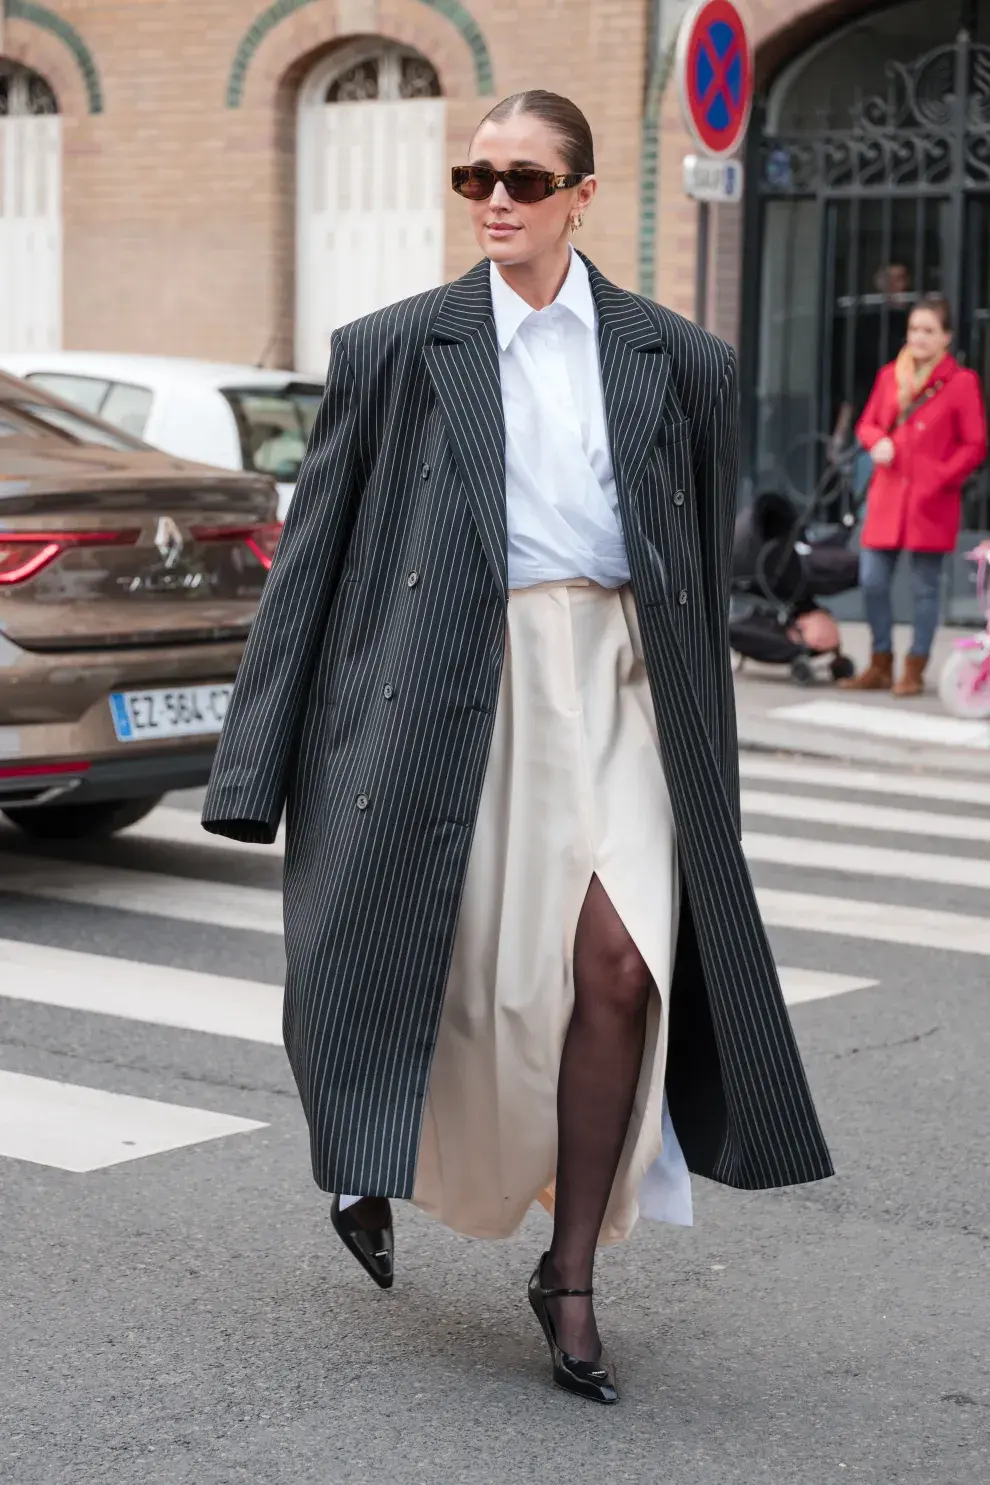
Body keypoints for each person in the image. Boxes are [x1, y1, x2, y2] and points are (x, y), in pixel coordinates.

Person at [202, 90, 832, 1405]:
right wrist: (251, 765)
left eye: (525, 179)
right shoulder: (396, 347)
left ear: (582, 196)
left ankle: (571, 1273)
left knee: (619, 966)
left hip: (616, 685)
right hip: (450, 679)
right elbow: (312, 556)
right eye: (474, 175)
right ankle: (367, 1157)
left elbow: (698, 574)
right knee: (441, 952)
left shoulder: (677, 359)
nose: (496, 198)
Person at [841, 295, 988, 696]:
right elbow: (867, 423)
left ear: (946, 337)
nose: (919, 337)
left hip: (931, 502)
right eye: (914, 329)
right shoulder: (891, 375)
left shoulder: (962, 383)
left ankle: (915, 667)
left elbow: (975, 445)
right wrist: (876, 442)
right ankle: (880, 661)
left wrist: (939, 477)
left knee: (925, 587)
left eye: (928, 330)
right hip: (887, 497)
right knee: (872, 579)